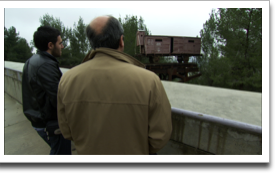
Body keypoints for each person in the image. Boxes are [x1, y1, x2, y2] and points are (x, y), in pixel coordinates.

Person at [57, 15, 172, 155]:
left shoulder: (67, 80)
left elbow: (67, 132)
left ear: (92, 42)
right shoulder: (150, 80)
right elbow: (160, 136)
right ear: (121, 41)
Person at [22, 26, 71, 155]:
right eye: (60, 43)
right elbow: (59, 99)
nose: (62, 46)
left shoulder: (32, 61)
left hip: (39, 120)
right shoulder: (46, 65)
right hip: (51, 124)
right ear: (50, 45)